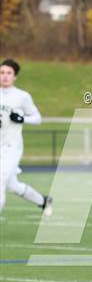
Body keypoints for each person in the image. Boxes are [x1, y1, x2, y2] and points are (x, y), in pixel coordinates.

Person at [0, 59, 52, 215]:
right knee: (12, 186)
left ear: (15, 76)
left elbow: (37, 118)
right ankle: (44, 201)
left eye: (9, 73)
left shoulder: (22, 96)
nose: (5, 76)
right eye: (2, 73)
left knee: (0, 180)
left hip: (12, 147)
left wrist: (22, 119)